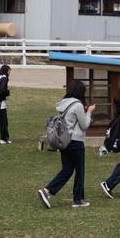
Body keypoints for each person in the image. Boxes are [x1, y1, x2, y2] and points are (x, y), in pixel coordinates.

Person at [37, 80, 94, 208]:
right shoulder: (78, 105)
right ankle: (77, 200)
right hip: (76, 141)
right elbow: (84, 125)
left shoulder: (63, 103)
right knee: (79, 170)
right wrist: (89, 112)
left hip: (64, 141)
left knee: (67, 169)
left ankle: (46, 191)